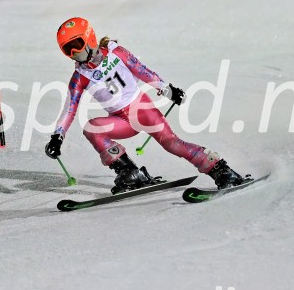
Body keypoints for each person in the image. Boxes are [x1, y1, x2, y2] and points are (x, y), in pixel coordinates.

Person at [44, 17, 247, 193]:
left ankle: (221, 170)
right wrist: (57, 136)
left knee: (171, 143)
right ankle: (130, 172)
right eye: (67, 49)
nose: (74, 52)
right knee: (92, 128)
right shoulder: (80, 77)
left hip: (142, 110)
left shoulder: (115, 52)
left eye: (76, 44)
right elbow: (69, 109)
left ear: (89, 38)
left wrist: (167, 89)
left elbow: (141, 70)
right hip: (122, 121)